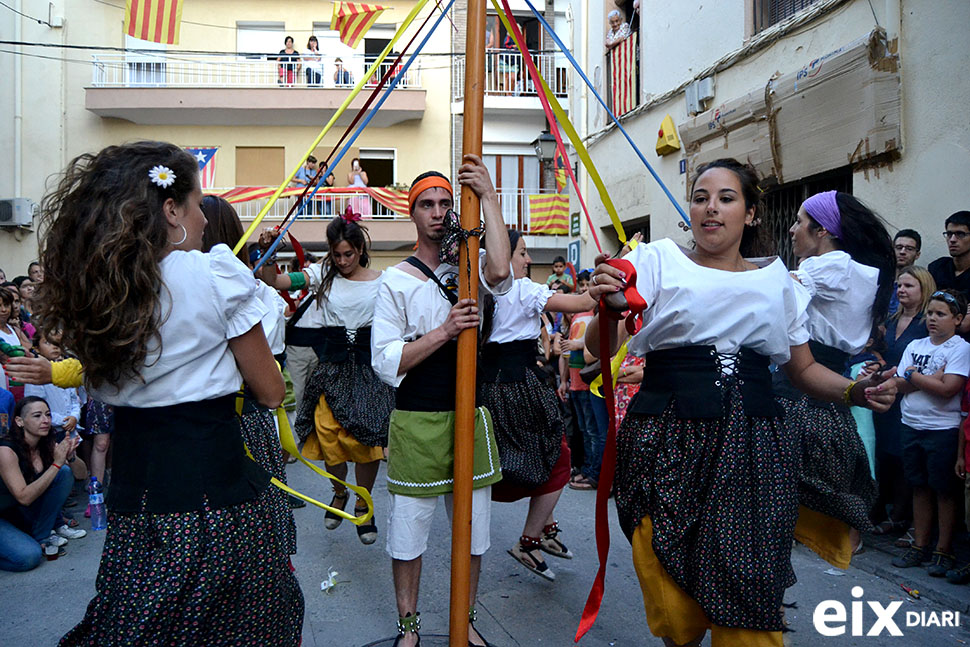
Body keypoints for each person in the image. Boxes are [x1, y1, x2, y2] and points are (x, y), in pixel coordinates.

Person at [585, 158, 895, 647]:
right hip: (667, 440)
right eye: (701, 197)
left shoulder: (778, 282)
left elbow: (804, 370)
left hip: (751, 445)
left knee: (748, 588)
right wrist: (609, 306)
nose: (712, 208)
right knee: (675, 594)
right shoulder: (654, 259)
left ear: (751, 214)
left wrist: (856, 391)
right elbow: (590, 343)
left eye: (727, 198)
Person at [38, 141, 302, 645]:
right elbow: (270, 391)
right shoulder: (213, 273)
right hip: (217, 499)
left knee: (143, 623)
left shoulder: (101, 295)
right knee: (238, 625)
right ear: (171, 210)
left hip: (135, 504)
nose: (204, 218)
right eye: (199, 203)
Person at [371, 156, 511, 647]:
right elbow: (386, 360)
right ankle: (408, 627)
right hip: (416, 418)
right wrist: (445, 331)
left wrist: (489, 197)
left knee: (474, 535)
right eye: (427, 204)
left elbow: (500, 270)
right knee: (407, 535)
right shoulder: (395, 281)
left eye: (445, 203)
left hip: (469, 414)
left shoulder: (466, 265)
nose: (436, 211)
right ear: (412, 213)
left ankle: (465, 620)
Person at [260, 212, 393, 546]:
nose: (343, 261)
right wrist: (268, 252)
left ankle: (364, 502)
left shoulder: (385, 280)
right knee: (328, 435)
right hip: (331, 367)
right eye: (337, 254)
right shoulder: (322, 274)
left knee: (365, 443)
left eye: (349, 254)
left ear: (361, 250)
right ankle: (339, 492)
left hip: (366, 368)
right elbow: (273, 282)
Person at [776, 189, 894, 558]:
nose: (793, 230)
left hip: (802, 388)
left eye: (799, 222)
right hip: (826, 388)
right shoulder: (853, 269)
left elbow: (782, 296)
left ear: (822, 230)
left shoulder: (830, 266)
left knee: (779, 484)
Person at [479, 229, 596, 581]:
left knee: (533, 456)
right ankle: (530, 540)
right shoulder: (523, 289)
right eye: (522, 253)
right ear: (501, 257)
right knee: (557, 458)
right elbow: (582, 304)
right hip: (520, 387)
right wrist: (609, 281)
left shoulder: (475, 291)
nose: (528, 260)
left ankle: (546, 529)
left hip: (488, 389)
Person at [202, 194, 298, 558]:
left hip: (230, 424)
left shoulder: (256, 296)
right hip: (230, 425)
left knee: (234, 533)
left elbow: (268, 385)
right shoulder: (247, 295)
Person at [890, 289, 969, 577]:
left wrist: (913, 375)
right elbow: (900, 384)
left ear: (957, 319)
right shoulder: (916, 344)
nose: (933, 319)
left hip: (942, 430)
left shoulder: (959, 348)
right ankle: (919, 544)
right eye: (930, 314)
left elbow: (949, 389)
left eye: (941, 314)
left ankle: (943, 550)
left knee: (944, 490)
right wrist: (929, 378)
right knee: (919, 486)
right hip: (911, 424)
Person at [870, 265, 934, 538]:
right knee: (885, 453)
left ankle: (901, 516)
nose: (901, 290)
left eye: (909, 286)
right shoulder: (893, 321)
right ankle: (885, 511)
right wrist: (878, 363)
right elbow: (877, 347)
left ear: (924, 289)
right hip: (887, 394)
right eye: (899, 286)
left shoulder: (926, 324)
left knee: (904, 457)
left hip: (911, 395)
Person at [0, 397, 84, 571]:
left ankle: (41, 536)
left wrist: (70, 457)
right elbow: (24, 497)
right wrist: (56, 464)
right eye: (37, 416)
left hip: (20, 512)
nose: (45, 420)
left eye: (47, 415)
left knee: (64, 473)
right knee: (29, 557)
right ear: (19, 421)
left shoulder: (45, 443)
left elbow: (81, 475)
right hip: (5, 514)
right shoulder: (6, 450)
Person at [24, 327, 82, 440]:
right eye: (47, 343)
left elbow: (74, 399)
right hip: (49, 430)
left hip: (69, 429)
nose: (55, 347)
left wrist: (74, 416)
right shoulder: (36, 374)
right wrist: (64, 420)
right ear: (37, 348)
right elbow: (35, 405)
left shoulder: (66, 369)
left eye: (57, 343)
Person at [928, 211, 970, 335]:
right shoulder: (937, 267)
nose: (952, 240)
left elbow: (964, 325)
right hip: (934, 342)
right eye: (949, 234)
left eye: (960, 234)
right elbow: (925, 311)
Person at [889, 229, 921, 314]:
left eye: (909, 249)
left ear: (917, 255)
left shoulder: (920, 285)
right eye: (899, 248)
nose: (902, 252)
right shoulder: (880, 279)